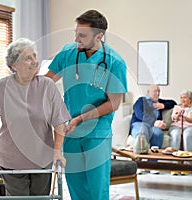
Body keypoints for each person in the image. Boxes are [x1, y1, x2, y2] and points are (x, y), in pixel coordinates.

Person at [45, 10, 127, 200]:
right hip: (70, 131)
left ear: (99, 36)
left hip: (97, 132)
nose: (76, 39)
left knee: (97, 189)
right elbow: (46, 83)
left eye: (82, 35)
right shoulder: (68, 53)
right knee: (75, 187)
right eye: (75, 33)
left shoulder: (115, 62)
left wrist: (81, 118)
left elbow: (114, 103)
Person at [0, 38, 71, 196]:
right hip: (12, 160)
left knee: (41, 198)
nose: (34, 61)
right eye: (28, 58)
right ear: (14, 65)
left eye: (34, 56)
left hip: (42, 159)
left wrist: (57, 151)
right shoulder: (1, 88)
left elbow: (59, 122)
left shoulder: (47, 86)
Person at [130, 84, 176, 149]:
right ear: (148, 92)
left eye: (159, 91)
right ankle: (139, 158)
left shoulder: (159, 102)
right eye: (155, 91)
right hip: (140, 123)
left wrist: (163, 105)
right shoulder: (141, 100)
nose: (158, 93)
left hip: (153, 127)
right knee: (142, 132)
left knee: (158, 133)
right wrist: (154, 122)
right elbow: (140, 114)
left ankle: (153, 159)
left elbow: (173, 103)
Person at [169, 90, 192, 175]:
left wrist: (184, 117)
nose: (182, 100)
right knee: (176, 135)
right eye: (181, 98)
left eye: (184, 97)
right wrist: (176, 116)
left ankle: (188, 165)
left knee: (186, 135)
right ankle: (174, 165)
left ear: (190, 99)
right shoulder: (177, 107)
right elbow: (173, 118)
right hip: (176, 127)